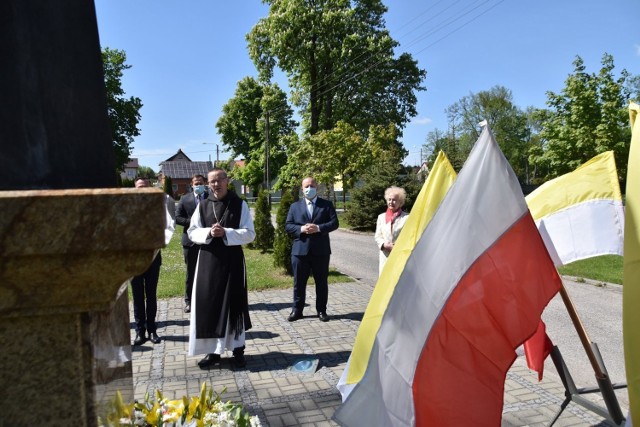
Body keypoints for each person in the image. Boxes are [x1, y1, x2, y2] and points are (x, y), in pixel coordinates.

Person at [187, 168, 255, 368]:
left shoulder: (239, 204)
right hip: (209, 261)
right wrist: (209, 232)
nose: (215, 185)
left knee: (234, 305)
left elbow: (250, 234)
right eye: (212, 182)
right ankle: (213, 352)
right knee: (209, 304)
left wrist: (226, 232)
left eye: (219, 180)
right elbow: (192, 232)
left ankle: (238, 350)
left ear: (227, 181)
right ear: (208, 184)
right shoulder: (203, 206)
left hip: (232, 260)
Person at [285, 177, 339, 322]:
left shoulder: (326, 205)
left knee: (321, 282)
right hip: (300, 251)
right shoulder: (294, 206)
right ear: (302, 189)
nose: (309, 188)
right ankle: (297, 310)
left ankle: (321, 310)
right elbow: (288, 226)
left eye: (312, 185)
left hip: (321, 251)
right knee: (299, 283)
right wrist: (302, 228)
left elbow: (334, 223)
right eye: (306, 186)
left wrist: (319, 228)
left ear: (317, 187)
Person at [131, 178, 175, 346]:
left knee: (151, 295)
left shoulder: (159, 204)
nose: (142, 189)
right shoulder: (128, 206)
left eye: (144, 186)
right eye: (139, 187)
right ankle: (139, 332)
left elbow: (168, 225)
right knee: (137, 296)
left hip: (153, 256)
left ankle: (152, 330)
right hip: (134, 259)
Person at [175, 174, 208, 313]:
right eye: (196, 183)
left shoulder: (210, 197)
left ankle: (206, 300)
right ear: (191, 184)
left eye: (200, 182)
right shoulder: (185, 199)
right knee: (191, 272)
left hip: (208, 240)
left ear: (204, 183)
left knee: (207, 272)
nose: (198, 185)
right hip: (190, 242)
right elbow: (177, 218)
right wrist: (193, 223)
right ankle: (189, 301)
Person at [374, 186, 409, 276]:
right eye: (389, 199)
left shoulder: (407, 218)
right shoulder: (381, 217)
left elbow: (409, 237)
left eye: (394, 200)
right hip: (385, 256)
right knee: (384, 282)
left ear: (400, 202)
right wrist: (384, 244)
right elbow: (378, 236)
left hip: (400, 256)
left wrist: (398, 247)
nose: (391, 202)